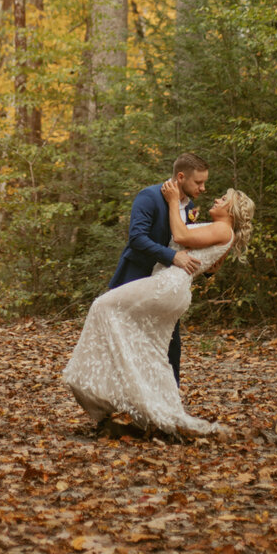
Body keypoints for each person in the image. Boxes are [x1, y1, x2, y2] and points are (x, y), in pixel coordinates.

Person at [63, 180, 254, 437]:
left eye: (223, 199)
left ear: (231, 211)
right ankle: (151, 406)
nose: (216, 199)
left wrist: (174, 201)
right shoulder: (218, 228)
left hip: (169, 285)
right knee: (152, 352)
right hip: (169, 285)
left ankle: (108, 389)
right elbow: (199, 253)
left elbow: (181, 236)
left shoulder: (222, 228)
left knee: (103, 306)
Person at [109, 153, 210, 385]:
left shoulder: (190, 206)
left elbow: (187, 241)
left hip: (167, 286)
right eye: (198, 182)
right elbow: (137, 238)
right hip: (137, 279)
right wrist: (172, 257)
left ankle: (169, 401)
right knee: (131, 345)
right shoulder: (149, 196)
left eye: (204, 182)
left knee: (171, 345)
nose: (203, 188)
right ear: (181, 177)